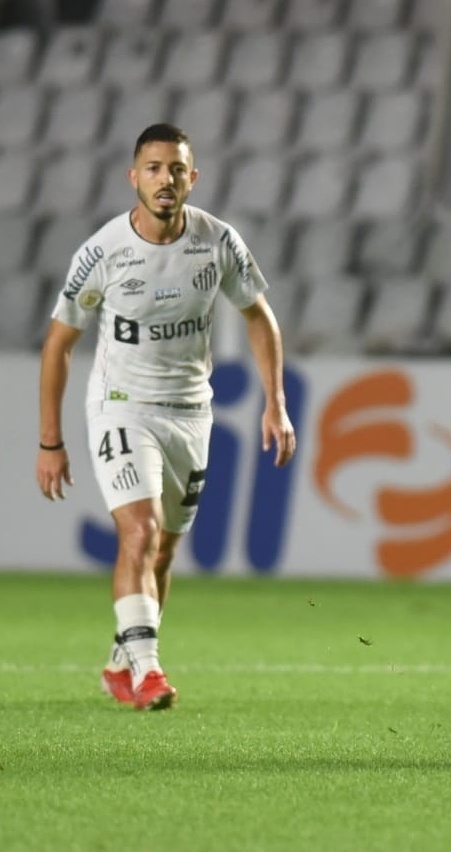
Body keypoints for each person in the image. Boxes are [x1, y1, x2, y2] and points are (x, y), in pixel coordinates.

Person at [35, 123, 297, 710]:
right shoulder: (103, 252)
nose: (165, 179)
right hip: (122, 408)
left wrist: (275, 403)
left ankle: (120, 660)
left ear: (192, 178)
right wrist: (50, 441)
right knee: (140, 530)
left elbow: (259, 317)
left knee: (163, 554)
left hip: (190, 413)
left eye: (176, 169)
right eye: (153, 168)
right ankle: (150, 671)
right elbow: (58, 344)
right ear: (134, 177)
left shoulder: (217, 242)